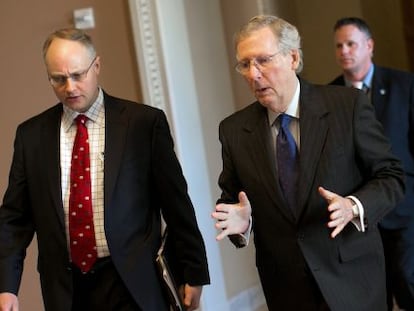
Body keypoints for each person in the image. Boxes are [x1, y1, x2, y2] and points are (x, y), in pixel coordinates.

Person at [0, 28, 210, 311]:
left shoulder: (143, 124)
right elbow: (14, 219)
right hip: (67, 290)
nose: (70, 87)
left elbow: (177, 205)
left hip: (134, 284)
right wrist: (7, 288)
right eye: (58, 79)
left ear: (96, 66)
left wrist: (194, 273)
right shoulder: (31, 136)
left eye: (78, 75)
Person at [211, 15, 405, 310]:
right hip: (287, 289)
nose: (254, 74)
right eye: (245, 64)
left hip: (353, 279)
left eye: (263, 60)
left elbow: (391, 176)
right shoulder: (234, 130)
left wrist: (353, 206)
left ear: (292, 57)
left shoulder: (346, 106)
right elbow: (234, 200)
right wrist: (242, 222)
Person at [330, 16, 414, 310]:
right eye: (339, 45)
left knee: (408, 282)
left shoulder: (404, 85)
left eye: (351, 43)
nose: (344, 51)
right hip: (359, 215)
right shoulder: (331, 97)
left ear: (370, 45)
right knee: (374, 292)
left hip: (404, 207)